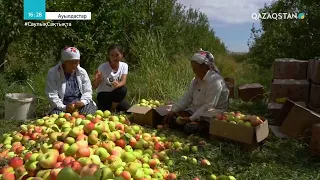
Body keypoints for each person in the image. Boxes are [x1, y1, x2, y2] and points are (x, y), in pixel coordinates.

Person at [163, 50, 229, 134]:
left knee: (190, 127)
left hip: (209, 114)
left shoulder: (215, 80)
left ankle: (202, 126)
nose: (193, 71)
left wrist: (191, 119)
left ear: (205, 67)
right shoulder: (196, 80)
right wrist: (174, 110)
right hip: (194, 111)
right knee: (170, 117)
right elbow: (187, 98)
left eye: (195, 68)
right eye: (192, 68)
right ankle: (190, 124)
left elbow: (209, 105)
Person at [45, 46, 97, 115]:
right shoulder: (53, 73)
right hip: (62, 105)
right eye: (71, 62)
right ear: (64, 62)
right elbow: (52, 94)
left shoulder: (82, 72)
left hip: (80, 104)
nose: (75, 65)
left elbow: (88, 90)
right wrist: (64, 107)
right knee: (57, 116)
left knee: (88, 113)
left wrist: (82, 102)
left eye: (77, 62)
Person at [92, 44, 130, 112]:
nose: (114, 58)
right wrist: (97, 80)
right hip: (104, 95)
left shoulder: (124, 66)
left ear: (121, 55)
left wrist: (118, 85)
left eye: (117, 55)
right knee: (104, 105)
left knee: (128, 108)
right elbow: (94, 86)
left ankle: (113, 107)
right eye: (112, 55)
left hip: (116, 95)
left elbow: (123, 81)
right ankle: (111, 108)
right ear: (109, 56)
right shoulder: (102, 67)